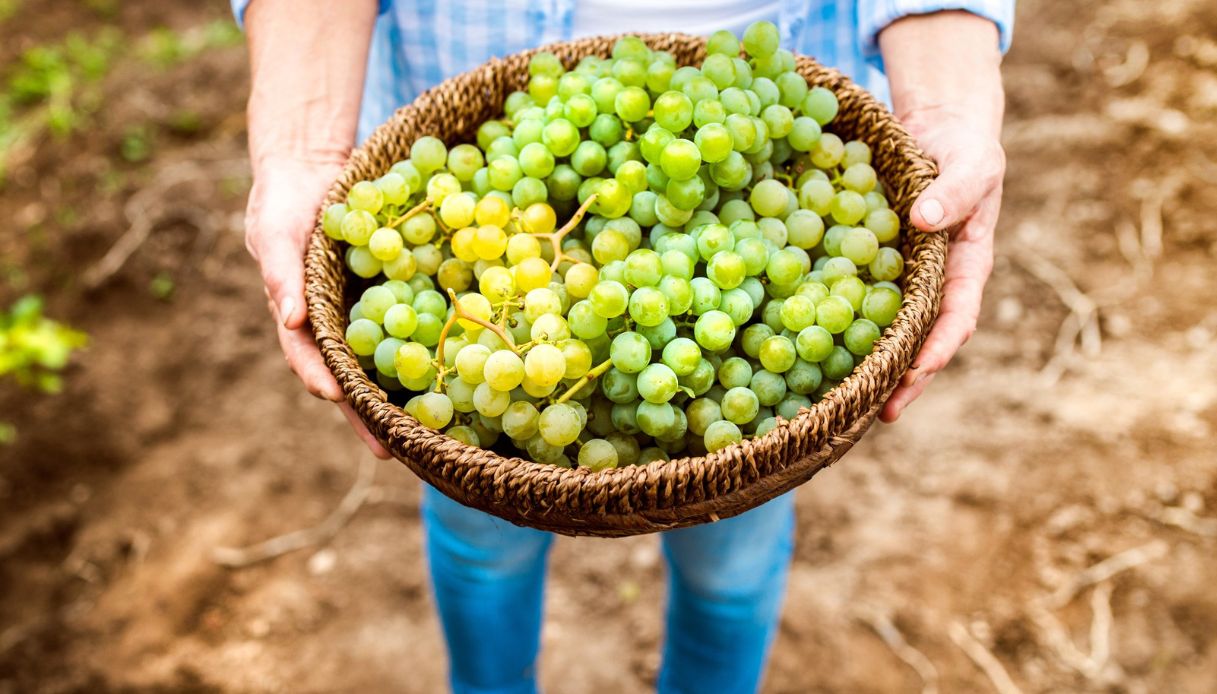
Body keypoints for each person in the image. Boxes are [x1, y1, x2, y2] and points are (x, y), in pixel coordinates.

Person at [231, 1, 1013, 691]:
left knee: (733, 552)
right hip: (482, 140)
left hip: (762, 108)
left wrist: (945, 102)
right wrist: (301, 149)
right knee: (477, 532)